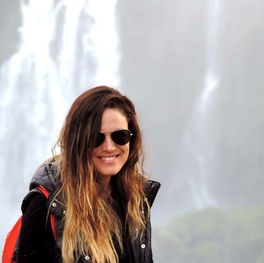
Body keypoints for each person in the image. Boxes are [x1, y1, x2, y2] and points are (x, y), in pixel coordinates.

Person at [16, 86, 161, 263]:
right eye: (95, 137)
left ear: (132, 138)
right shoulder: (44, 205)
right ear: (77, 141)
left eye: (120, 136)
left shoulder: (135, 201)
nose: (109, 147)